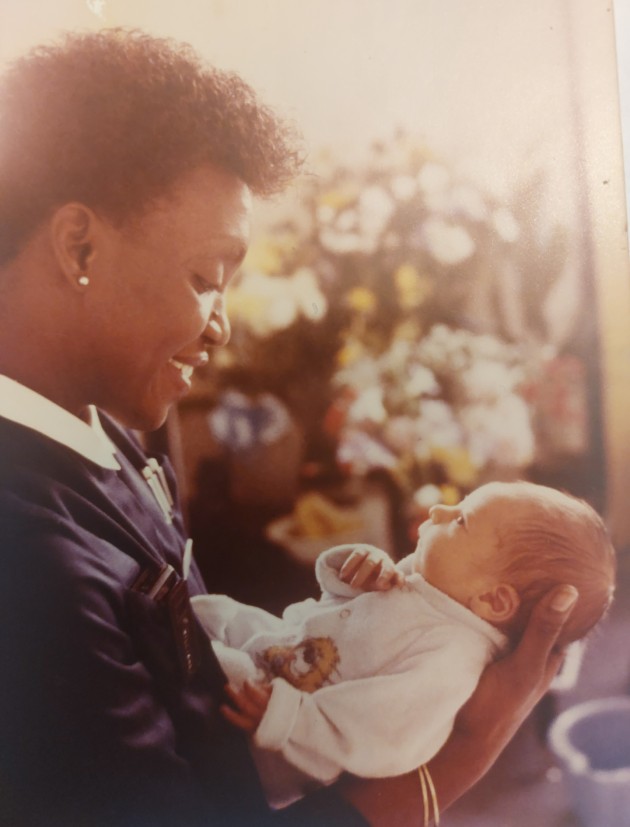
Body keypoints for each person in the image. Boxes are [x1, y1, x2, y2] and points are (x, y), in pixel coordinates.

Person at [0, 27, 579, 827]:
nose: (221, 329)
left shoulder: (98, 416)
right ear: (79, 243)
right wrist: (469, 746)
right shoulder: (28, 571)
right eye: (206, 277)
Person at [193, 481, 615, 809]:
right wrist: (358, 571)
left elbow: (387, 733)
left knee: (205, 660)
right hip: (286, 650)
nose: (440, 510)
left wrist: (288, 717)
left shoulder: (451, 657)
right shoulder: (438, 588)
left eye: (461, 520)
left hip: (284, 732)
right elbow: (339, 615)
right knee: (215, 612)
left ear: (493, 600)